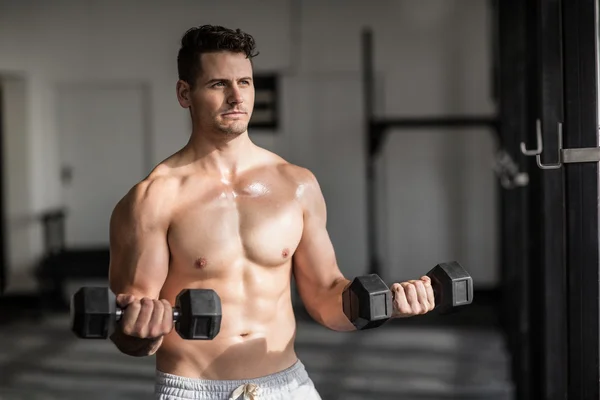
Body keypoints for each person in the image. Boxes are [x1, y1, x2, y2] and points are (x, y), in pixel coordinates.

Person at [108, 25, 435, 400]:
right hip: (195, 390)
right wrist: (142, 332)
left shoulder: (296, 185)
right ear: (185, 93)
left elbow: (327, 296)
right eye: (218, 84)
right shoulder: (153, 199)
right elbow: (130, 321)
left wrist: (388, 306)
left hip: (288, 386)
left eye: (244, 83)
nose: (236, 97)